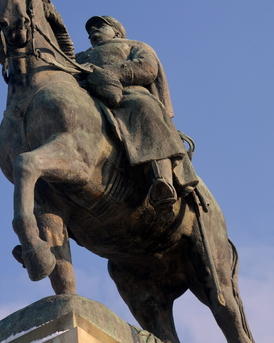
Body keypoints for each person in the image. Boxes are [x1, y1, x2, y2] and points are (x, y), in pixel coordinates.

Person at [75, 15, 199, 208]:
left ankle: (162, 178)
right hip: (88, 93)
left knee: (144, 106)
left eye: (100, 26)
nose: (93, 30)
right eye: (90, 29)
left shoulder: (134, 45)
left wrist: (107, 73)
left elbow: (147, 68)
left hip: (128, 93)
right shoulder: (80, 56)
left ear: (116, 32)